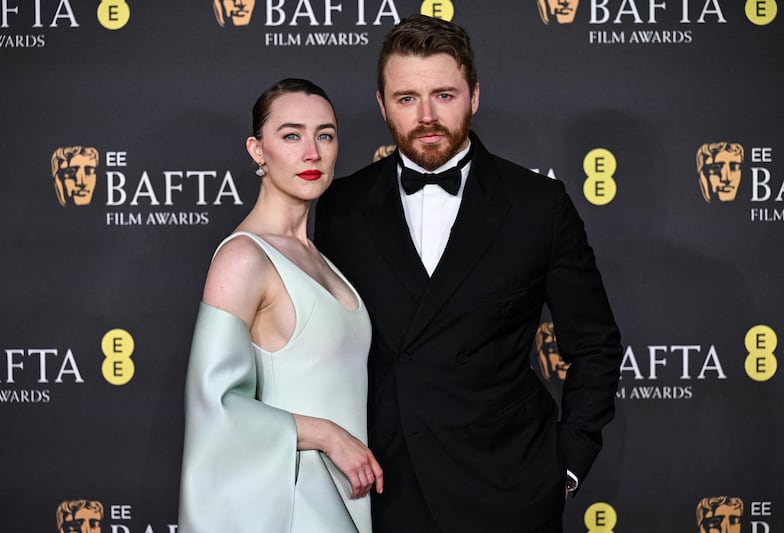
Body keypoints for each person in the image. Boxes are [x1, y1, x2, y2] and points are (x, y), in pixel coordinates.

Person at [314, 14, 622, 532]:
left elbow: (594, 344)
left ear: (474, 96)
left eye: (445, 95)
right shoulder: (341, 206)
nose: (427, 115)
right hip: (387, 488)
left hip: (509, 486)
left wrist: (565, 467)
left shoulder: (536, 205)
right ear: (381, 104)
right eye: (407, 98)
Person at [178, 78, 383, 533]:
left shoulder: (319, 258)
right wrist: (329, 435)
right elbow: (216, 403)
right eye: (291, 135)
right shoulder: (243, 257)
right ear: (257, 150)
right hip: (293, 503)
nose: (311, 152)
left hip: (346, 495)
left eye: (324, 135)